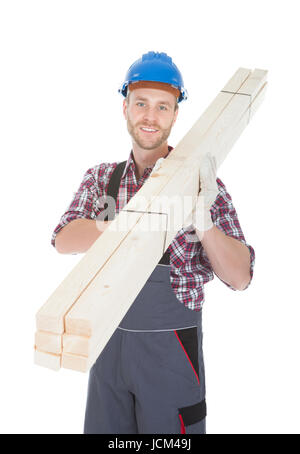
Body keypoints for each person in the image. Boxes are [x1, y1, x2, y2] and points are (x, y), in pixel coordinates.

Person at [51, 51, 255, 434]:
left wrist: (204, 222)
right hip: (107, 351)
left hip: (172, 357)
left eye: (163, 106)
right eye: (141, 103)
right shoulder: (103, 180)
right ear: (125, 108)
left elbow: (241, 277)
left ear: (176, 115)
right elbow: (63, 239)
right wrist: (126, 221)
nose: (150, 116)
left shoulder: (203, 186)